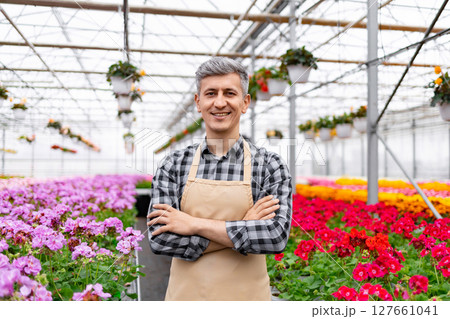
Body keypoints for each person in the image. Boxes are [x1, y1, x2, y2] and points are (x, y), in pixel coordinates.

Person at [147, 57, 292, 301]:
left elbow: (275, 236)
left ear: (245, 102)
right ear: (198, 102)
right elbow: (160, 239)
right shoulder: (174, 164)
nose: (220, 102)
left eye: (230, 93)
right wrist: (244, 225)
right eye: (211, 93)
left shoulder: (269, 165)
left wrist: (194, 224)